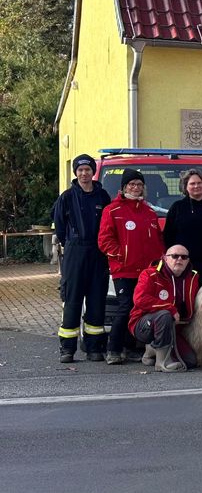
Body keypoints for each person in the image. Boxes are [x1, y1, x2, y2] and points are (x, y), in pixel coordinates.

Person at [98, 168, 164, 365]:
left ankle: (130, 347)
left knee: (140, 309)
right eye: (132, 185)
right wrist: (122, 256)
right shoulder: (113, 210)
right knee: (125, 307)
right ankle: (113, 349)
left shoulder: (149, 212)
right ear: (124, 187)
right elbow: (104, 240)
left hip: (147, 272)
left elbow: (158, 242)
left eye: (139, 185)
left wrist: (160, 262)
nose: (136, 188)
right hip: (124, 270)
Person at [52, 153, 112, 363]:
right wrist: (70, 244)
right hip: (75, 252)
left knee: (96, 301)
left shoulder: (103, 196)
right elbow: (60, 227)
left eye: (87, 170)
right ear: (76, 173)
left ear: (93, 172)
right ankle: (67, 349)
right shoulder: (67, 197)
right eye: (80, 170)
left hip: (98, 253)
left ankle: (94, 347)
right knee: (72, 300)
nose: (84, 174)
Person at [128, 245, 199, 372]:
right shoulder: (149, 274)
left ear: (188, 260)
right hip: (143, 324)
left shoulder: (193, 277)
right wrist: (170, 308)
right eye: (174, 256)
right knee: (164, 314)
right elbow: (139, 299)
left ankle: (151, 350)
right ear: (165, 258)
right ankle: (162, 362)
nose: (179, 259)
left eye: (184, 257)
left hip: (174, 328)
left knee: (191, 361)